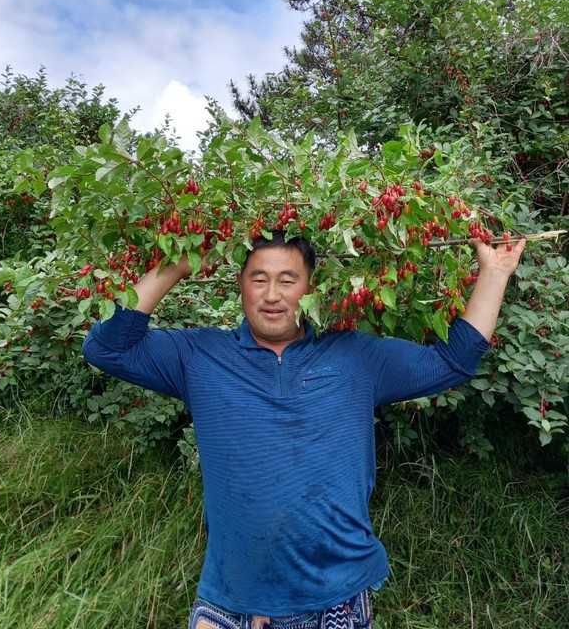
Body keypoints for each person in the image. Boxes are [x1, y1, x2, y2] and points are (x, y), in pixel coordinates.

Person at [82, 230, 525, 629]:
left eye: (287, 279)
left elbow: (454, 361)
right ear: (240, 284)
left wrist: (495, 272)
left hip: (336, 600)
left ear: (311, 288)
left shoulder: (355, 357)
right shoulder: (198, 356)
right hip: (230, 601)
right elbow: (106, 348)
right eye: (258, 278)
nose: (272, 294)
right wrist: (179, 262)